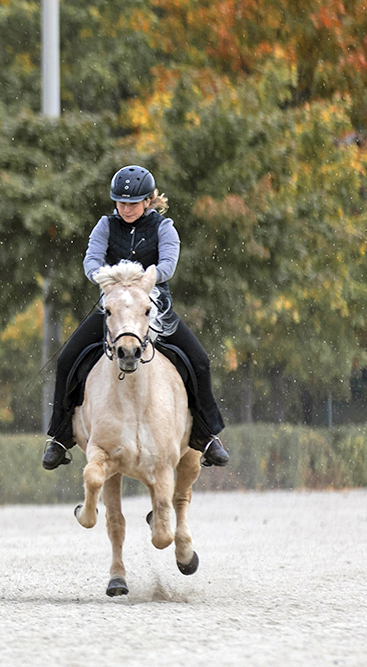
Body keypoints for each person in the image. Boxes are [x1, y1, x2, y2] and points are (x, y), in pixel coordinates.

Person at [41, 165, 229, 470]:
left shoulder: (164, 228)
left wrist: (138, 281)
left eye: (133, 203)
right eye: (121, 202)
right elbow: (92, 259)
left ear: (148, 201)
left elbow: (167, 265)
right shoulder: (105, 225)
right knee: (67, 360)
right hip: (115, 309)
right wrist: (103, 277)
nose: (126, 209)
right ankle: (60, 437)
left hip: (152, 307)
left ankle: (207, 436)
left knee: (200, 361)